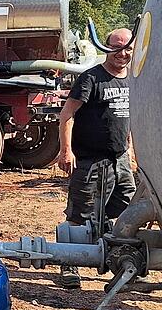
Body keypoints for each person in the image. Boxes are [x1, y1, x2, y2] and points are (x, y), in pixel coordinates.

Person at [57, 28, 137, 288]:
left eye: (127, 48)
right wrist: (66, 150)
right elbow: (67, 115)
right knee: (80, 213)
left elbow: (129, 121)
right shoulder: (91, 78)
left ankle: (112, 257)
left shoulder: (134, 80)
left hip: (120, 159)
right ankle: (68, 264)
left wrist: (132, 153)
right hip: (90, 160)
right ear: (106, 48)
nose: (121, 53)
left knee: (126, 209)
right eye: (116, 47)